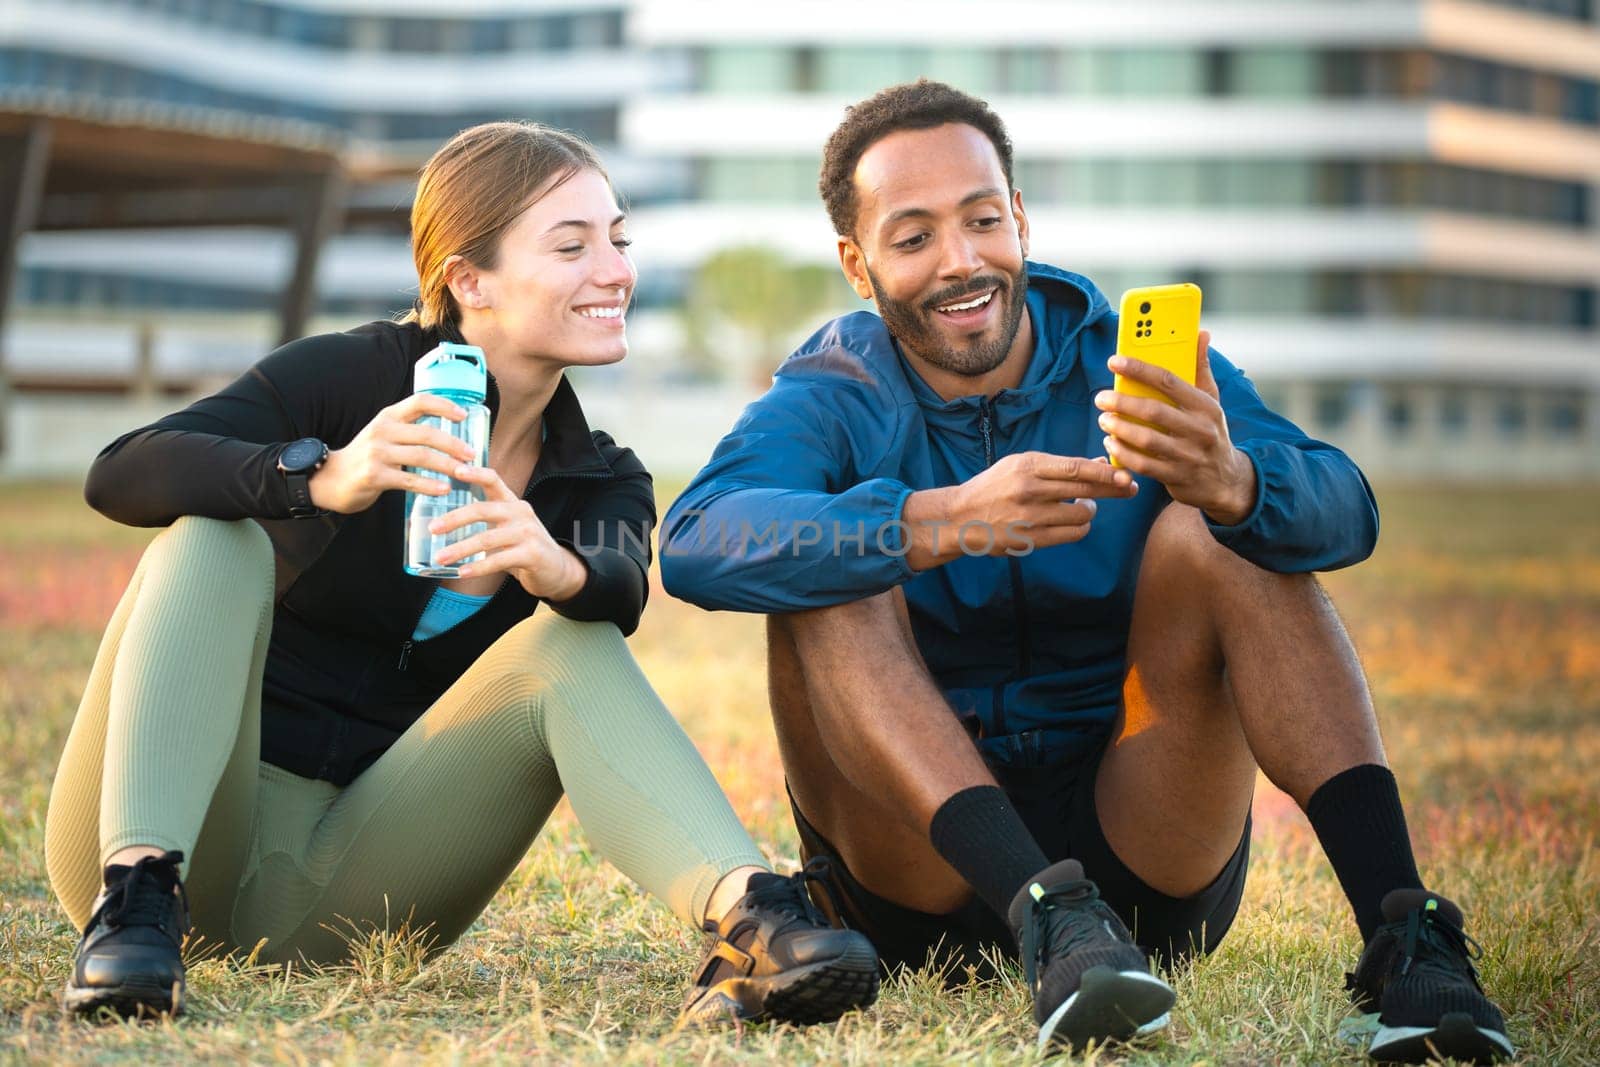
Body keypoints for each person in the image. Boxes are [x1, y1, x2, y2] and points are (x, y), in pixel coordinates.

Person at [660, 81, 1512, 1063]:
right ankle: (1040, 907)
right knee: (833, 559)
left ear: (1018, 217)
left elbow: (1344, 504)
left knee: (1225, 526)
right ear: (857, 264)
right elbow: (696, 538)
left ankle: (1408, 939)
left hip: (1139, 850)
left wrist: (1235, 480)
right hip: (920, 872)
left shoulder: (1126, 361)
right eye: (913, 237)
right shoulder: (832, 391)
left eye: (983, 219)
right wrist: (934, 520)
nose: (962, 260)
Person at [45, 121, 879, 1028]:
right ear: (468, 281)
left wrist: (550, 564)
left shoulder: (599, 472)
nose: (615, 270)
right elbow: (124, 468)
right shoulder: (350, 380)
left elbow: (619, 586)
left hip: (348, 888)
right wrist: (322, 475)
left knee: (567, 636)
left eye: (618, 239)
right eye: (573, 245)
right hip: (179, 836)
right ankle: (134, 897)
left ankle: (754, 918)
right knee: (218, 537)